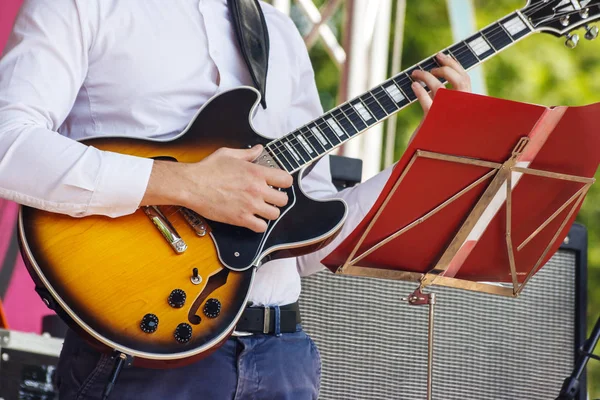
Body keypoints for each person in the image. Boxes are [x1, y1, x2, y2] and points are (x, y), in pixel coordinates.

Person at [0, 0, 471, 399]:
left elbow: (314, 244)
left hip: (284, 356)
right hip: (146, 355)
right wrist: (186, 184)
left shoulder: (279, 31)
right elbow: (8, 144)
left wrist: (429, 156)